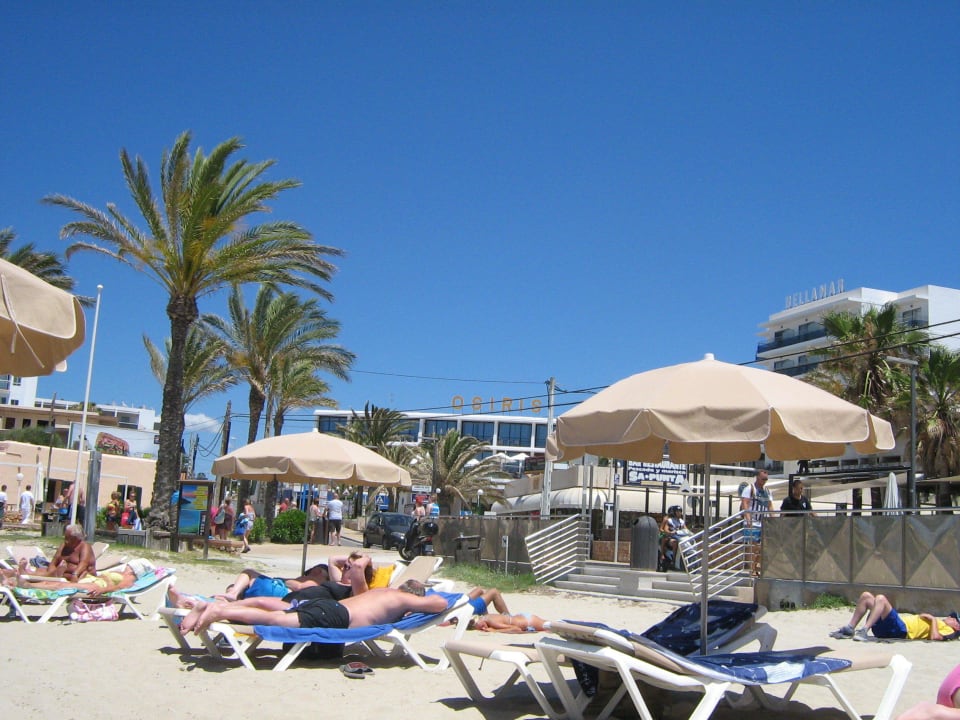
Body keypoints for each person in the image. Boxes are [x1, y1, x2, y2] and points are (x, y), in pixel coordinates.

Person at [179, 580, 447, 635]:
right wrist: (419, 604)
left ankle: (210, 606)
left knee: (273, 614)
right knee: (274, 621)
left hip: (329, 606)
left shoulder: (382, 592)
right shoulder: (402, 600)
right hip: (335, 614)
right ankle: (219, 611)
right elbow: (440, 603)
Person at [830, 591, 960, 642]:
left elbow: (935, 637)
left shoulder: (950, 631)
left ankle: (864, 630)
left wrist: (932, 620)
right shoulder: (942, 624)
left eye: (954, 618)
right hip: (894, 625)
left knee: (881, 599)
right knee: (866, 596)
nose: (950, 617)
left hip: (901, 629)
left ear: (957, 626)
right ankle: (850, 628)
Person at [12, 558, 155, 593]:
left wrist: (103, 589)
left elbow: (118, 588)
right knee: (63, 581)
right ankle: (25, 581)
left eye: (130, 565)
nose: (127, 566)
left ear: (134, 569)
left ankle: (28, 585)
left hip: (97, 586)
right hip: (94, 580)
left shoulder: (129, 578)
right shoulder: (121, 572)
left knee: (62, 585)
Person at [16, 524, 96, 582]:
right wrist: (51, 572)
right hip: (60, 573)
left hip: (75, 575)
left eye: (68, 538)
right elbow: (54, 561)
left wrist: (75, 574)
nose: (65, 541)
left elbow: (84, 563)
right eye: (65, 537)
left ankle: (26, 575)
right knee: (40, 571)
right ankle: (25, 573)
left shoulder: (84, 547)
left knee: (43, 575)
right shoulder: (64, 545)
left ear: (77, 539)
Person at [216, 563, 332, 601]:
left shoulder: (317, 580)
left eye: (309, 572)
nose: (307, 574)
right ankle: (232, 594)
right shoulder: (320, 583)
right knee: (235, 587)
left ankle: (232, 594)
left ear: (318, 570)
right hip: (277, 595)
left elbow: (298, 586)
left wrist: (282, 580)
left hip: (279, 592)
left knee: (248, 572)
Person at [740, 469, 771, 576]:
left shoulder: (767, 491)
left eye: (766, 479)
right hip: (753, 522)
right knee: (754, 547)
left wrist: (774, 518)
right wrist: (748, 520)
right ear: (757, 477)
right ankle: (752, 570)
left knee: (762, 548)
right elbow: (745, 503)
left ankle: (755, 568)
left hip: (764, 523)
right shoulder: (750, 489)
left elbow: (770, 505)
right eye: (763, 479)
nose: (764, 481)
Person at [470, 612, 551, 634]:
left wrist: (495, 631)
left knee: (553, 626)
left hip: (528, 622)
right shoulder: (486, 616)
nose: (483, 628)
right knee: (551, 624)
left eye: (481, 627)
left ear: (478, 620)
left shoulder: (492, 621)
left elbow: (516, 628)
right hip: (521, 618)